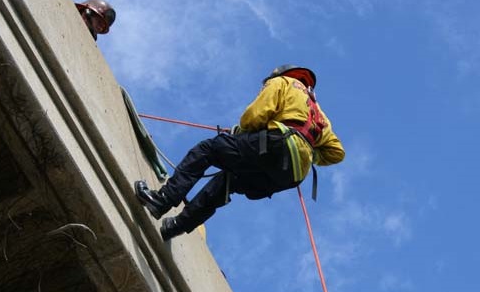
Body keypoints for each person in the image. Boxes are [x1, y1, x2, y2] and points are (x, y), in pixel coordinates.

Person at [134, 65, 345, 241]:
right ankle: (177, 226)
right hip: (292, 175)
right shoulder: (320, 114)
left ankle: (162, 200)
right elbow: (337, 152)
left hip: (273, 146)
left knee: (209, 149)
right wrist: (309, 151)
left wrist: (241, 133)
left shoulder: (282, 82)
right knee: (228, 180)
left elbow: (254, 115)